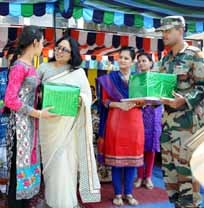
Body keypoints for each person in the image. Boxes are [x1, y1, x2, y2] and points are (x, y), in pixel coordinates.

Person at [38, 36, 101, 208]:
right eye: (58, 47)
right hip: (48, 125)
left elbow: (88, 97)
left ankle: (67, 203)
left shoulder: (78, 73)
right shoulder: (43, 67)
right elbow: (34, 93)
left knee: (66, 164)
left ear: (72, 53)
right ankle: (51, 201)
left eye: (64, 49)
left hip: (68, 127)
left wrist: (76, 98)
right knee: (51, 166)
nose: (59, 51)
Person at [4, 26, 55, 208]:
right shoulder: (19, 66)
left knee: (27, 170)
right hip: (20, 127)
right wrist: (38, 113)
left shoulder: (30, 66)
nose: (43, 46)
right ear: (35, 42)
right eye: (42, 43)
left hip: (30, 126)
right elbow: (10, 99)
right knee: (18, 173)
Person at [157, 16, 204, 208]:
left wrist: (184, 99)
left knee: (187, 182)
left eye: (168, 30)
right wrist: (149, 99)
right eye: (163, 31)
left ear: (181, 30)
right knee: (171, 181)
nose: (164, 34)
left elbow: (202, 86)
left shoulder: (195, 55)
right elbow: (161, 90)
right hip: (167, 128)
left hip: (188, 130)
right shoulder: (165, 59)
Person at [97, 47, 144, 206]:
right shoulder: (109, 79)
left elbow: (145, 100)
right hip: (116, 122)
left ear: (132, 61)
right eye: (120, 57)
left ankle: (129, 194)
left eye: (126, 58)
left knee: (132, 162)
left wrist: (139, 103)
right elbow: (104, 101)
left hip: (135, 122)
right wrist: (119, 105)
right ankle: (118, 194)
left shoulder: (140, 79)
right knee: (117, 162)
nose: (122, 60)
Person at [134, 52, 163, 189]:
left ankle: (148, 177)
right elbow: (132, 97)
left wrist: (152, 101)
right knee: (139, 146)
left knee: (151, 147)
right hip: (139, 113)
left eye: (144, 61)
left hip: (153, 114)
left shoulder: (158, 79)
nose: (141, 63)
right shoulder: (135, 79)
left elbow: (163, 97)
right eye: (139, 61)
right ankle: (139, 176)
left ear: (151, 63)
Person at [0, 47, 15, 193]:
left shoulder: (24, 78)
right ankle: (1, 188)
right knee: (0, 157)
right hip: (1, 123)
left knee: (15, 158)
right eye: (11, 59)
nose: (13, 63)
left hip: (18, 125)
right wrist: (7, 108)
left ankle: (13, 188)